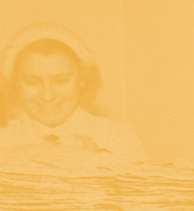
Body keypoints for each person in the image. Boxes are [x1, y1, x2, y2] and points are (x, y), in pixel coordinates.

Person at [0, 22, 144, 162]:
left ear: (82, 80)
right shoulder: (4, 140)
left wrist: (100, 164)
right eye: (32, 82)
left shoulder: (115, 137)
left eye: (61, 81)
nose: (47, 96)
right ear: (15, 84)